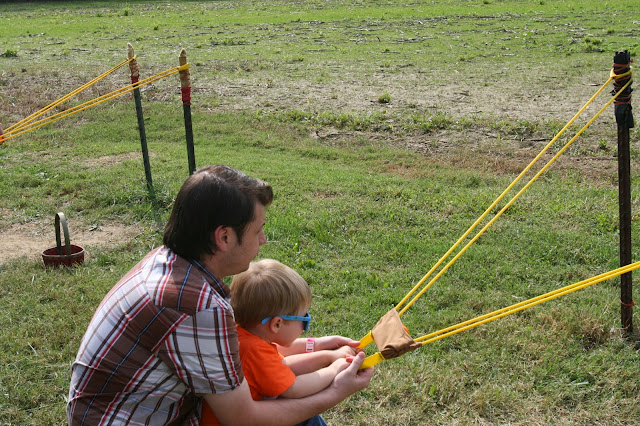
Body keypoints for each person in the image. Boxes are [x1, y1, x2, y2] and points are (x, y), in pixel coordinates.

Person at [67, 165, 374, 425]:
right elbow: (243, 418)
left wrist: (319, 348)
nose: (263, 240)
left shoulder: (167, 263)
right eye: (258, 230)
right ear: (224, 236)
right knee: (296, 415)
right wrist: (337, 390)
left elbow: (262, 359)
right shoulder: (197, 307)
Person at [201, 259, 357, 425]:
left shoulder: (241, 334)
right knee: (304, 415)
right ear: (276, 324)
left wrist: (322, 347)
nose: (305, 326)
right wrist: (335, 369)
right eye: (304, 319)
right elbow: (295, 388)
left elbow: (282, 359)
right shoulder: (255, 351)